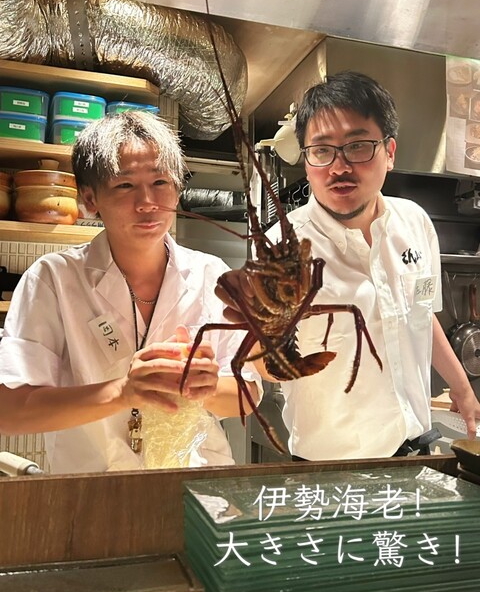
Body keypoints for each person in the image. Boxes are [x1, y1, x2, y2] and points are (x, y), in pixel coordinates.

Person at [216, 70, 480, 461]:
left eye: (357, 146)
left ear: (390, 152)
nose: (338, 167)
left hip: (416, 450)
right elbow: (269, 367)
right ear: (307, 161)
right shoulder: (279, 247)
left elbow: (421, 314)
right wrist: (261, 338)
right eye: (322, 150)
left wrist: (462, 388)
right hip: (330, 469)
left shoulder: (415, 222)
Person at [0, 111, 260, 473]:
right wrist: (123, 392)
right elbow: (10, 412)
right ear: (89, 198)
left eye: (160, 181)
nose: (147, 201)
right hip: (94, 486)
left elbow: (248, 396)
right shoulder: (53, 280)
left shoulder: (211, 274)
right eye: (125, 185)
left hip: (196, 482)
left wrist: (207, 386)